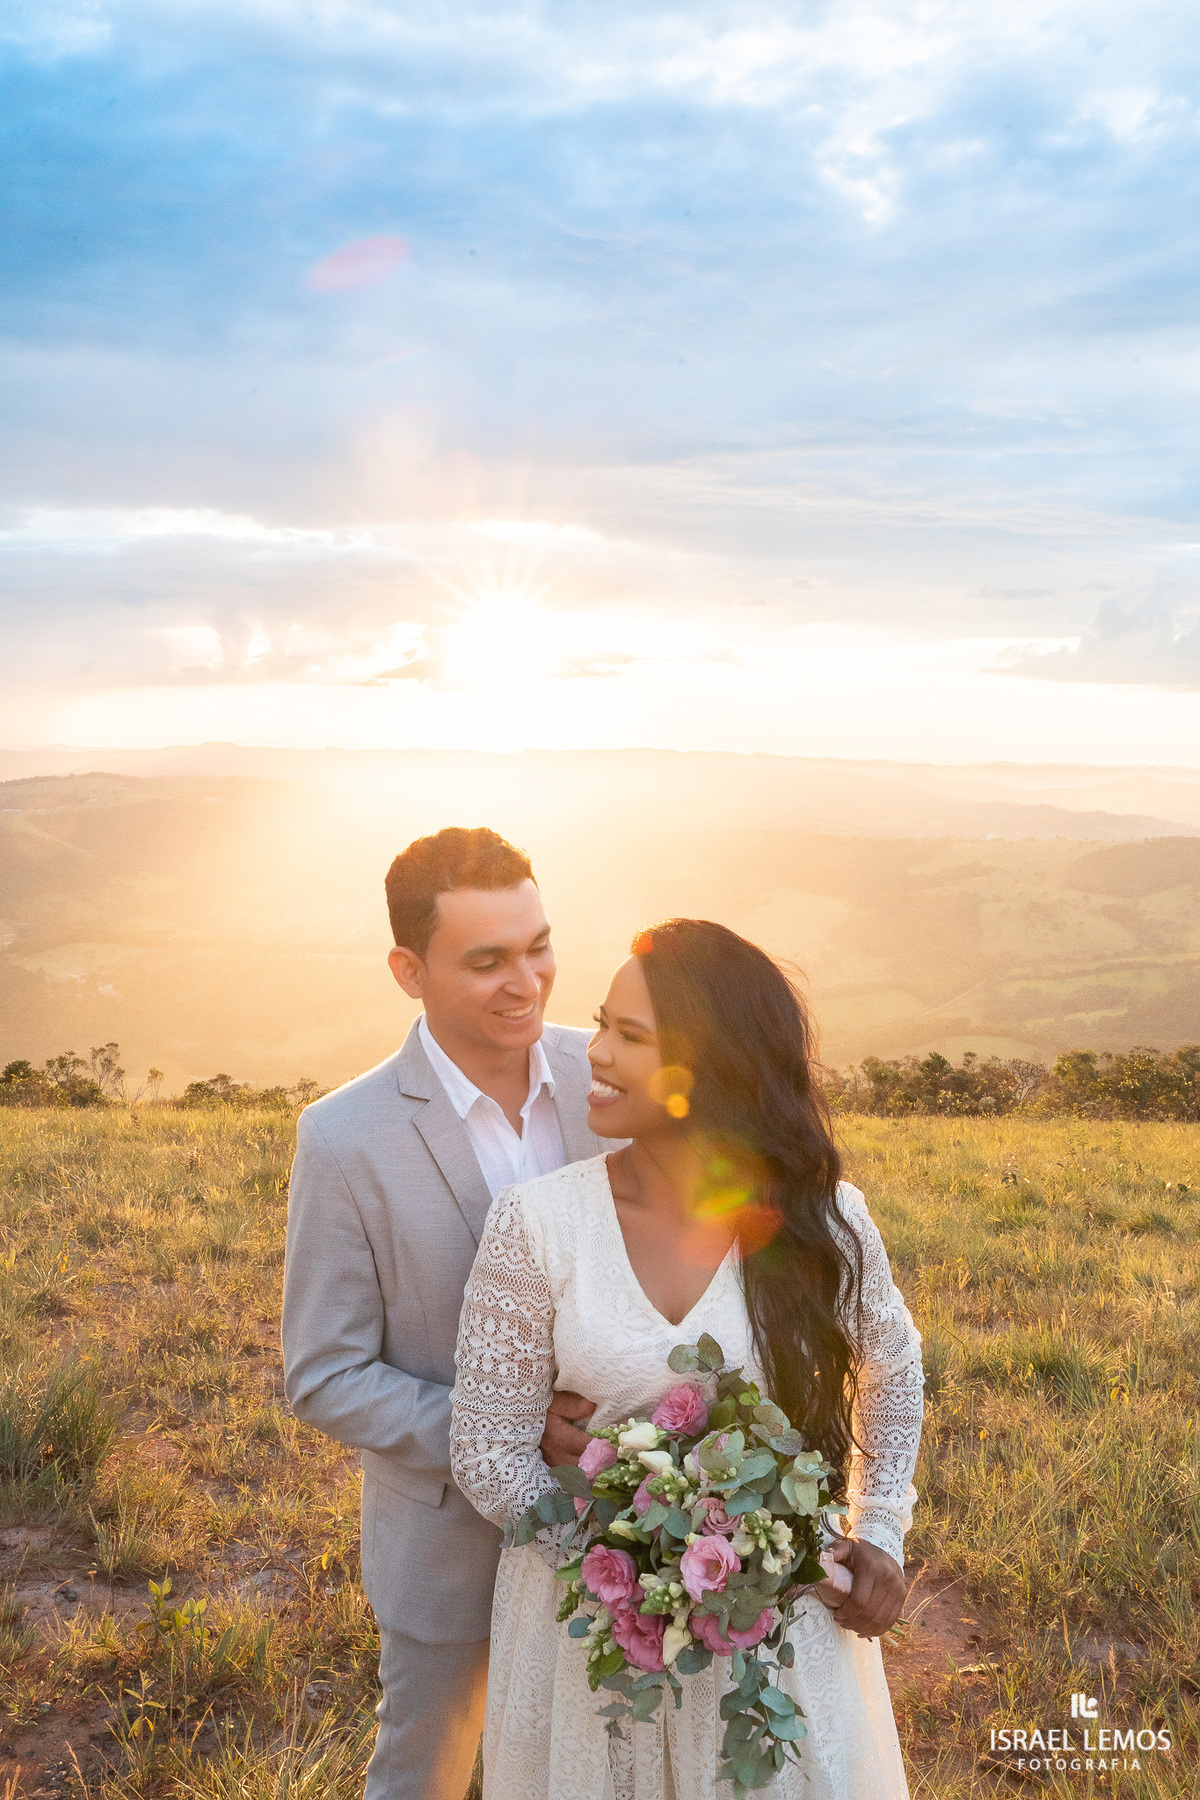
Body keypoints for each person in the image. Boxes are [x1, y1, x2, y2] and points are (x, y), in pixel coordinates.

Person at [450, 918, 924, 1800]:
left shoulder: (825, 1221)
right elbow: (488, 1452)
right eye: (603, 1023)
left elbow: (893, 1369)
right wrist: (639, 1569)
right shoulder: (537, 1224)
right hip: (591, 1640)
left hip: (777, 1633)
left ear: (713, 1068)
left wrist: (880, 1531)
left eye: (631, 1036)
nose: (594, 1051)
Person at [282, 827, 607, 1800]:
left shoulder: (610, 1079)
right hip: (448, 1552)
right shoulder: (343, 1138)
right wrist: (502, 1428)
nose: (527, 983)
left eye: (539, 947)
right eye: (487, 961)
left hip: (623, 1529)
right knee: (423, 1781)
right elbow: (323, 1375)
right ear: (408, 971)